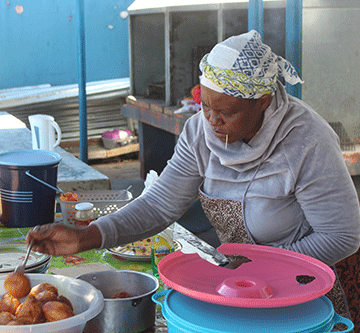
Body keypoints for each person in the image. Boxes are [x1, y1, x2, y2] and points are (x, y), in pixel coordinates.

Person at [27, 30, 360, 329]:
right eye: (206, 107)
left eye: (226, 113)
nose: (212, 121)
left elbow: (342, 235)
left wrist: (259, 270)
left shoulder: (307, 141)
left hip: (299, 293)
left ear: (263, 101)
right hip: (238, 286)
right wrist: (88, 236)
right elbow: (159, 205)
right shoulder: (201, 132)